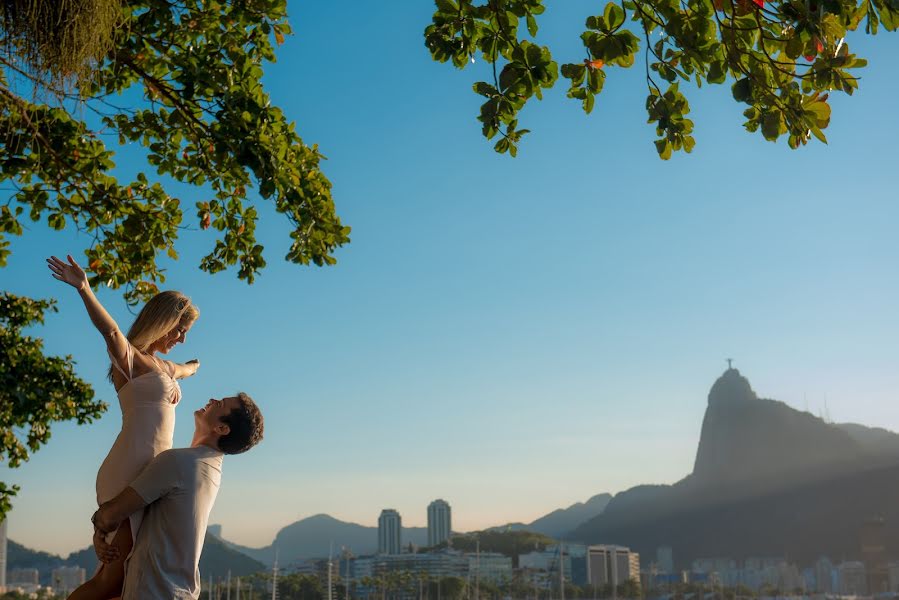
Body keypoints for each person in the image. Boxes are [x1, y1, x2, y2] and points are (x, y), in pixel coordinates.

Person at [46, 254, 201, 600]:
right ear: (163, 321)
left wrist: (194, 366)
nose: (182, 338)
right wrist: (84, 288)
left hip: (151, 476)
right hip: (129, 469)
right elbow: (111, 330)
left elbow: (184, 368)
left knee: (124, 575)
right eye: (180, 329)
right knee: (110, 582)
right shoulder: (131, 361)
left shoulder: (163, 367)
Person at [91, 393, 264, 600]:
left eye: (220, 404)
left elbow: (111, 515)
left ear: (222, 429)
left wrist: (99, 529)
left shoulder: (179, 463)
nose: (211, 400)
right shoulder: (211, 470)